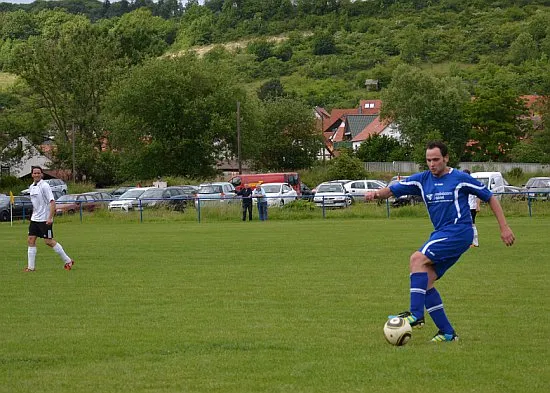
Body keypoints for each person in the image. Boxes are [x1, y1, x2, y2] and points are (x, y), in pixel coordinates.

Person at [365, 141, 515, 342]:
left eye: (436, 159)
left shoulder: (460, 178)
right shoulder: (422, 180)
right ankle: (447, 333)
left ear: (446, 158)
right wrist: (375, 194)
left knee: (416, 259)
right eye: (428, 160)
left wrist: (504, 227)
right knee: (425, 280)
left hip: (458, 232)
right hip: (441, 233)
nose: (432, 164)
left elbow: (490, 197)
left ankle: (415, 315)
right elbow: (393, 190)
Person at [24, 166, 75, 272]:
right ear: (32, 175)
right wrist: (33, 215)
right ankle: (31, 268)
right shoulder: (32, 187)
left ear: (42, 174)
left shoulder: (45, 186)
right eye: (35, 173)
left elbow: (52, 202)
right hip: (35, 219)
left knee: (48, 241)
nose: (37, 175)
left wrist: (50, 217)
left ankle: (68, 260)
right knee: (30, 240)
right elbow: (35, 203)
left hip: (44, 219)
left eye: (39, 173)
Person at [463, 169, 481, 247]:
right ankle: (468, 242)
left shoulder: (472, 184)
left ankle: (475, 242)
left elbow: (478, 196)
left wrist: (478, 205)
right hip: (466, 208)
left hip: (471, 207)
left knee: (472, 224)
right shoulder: (464, 184)